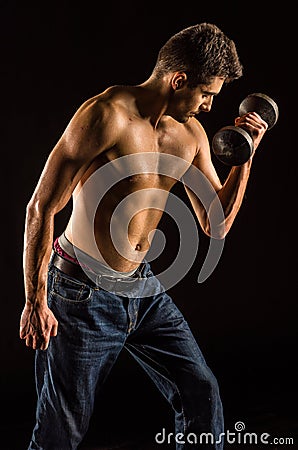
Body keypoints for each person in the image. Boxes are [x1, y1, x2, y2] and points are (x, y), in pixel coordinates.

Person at [19, 22, 268, 450]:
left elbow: (216, 223)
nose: (209, 106)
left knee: (201, 393)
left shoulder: (189, 135)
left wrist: (244, 157)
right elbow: (41, 207)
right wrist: (35, 301)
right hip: (82, 292)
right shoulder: (105, 115)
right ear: (179, 80)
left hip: (144, 288)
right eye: (206, 94)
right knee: (63, 429)